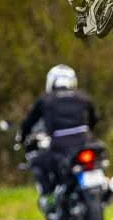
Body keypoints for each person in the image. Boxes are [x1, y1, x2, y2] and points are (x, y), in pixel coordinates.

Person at [19, 65, 100, 210]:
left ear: (51, 82)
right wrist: (89, 133)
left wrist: (22, 137)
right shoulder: (83, 97)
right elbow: (94, 118)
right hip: (85, 142)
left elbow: (29, 122)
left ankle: (48, 196)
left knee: (36, 162)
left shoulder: (46, 99)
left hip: (60, 145)